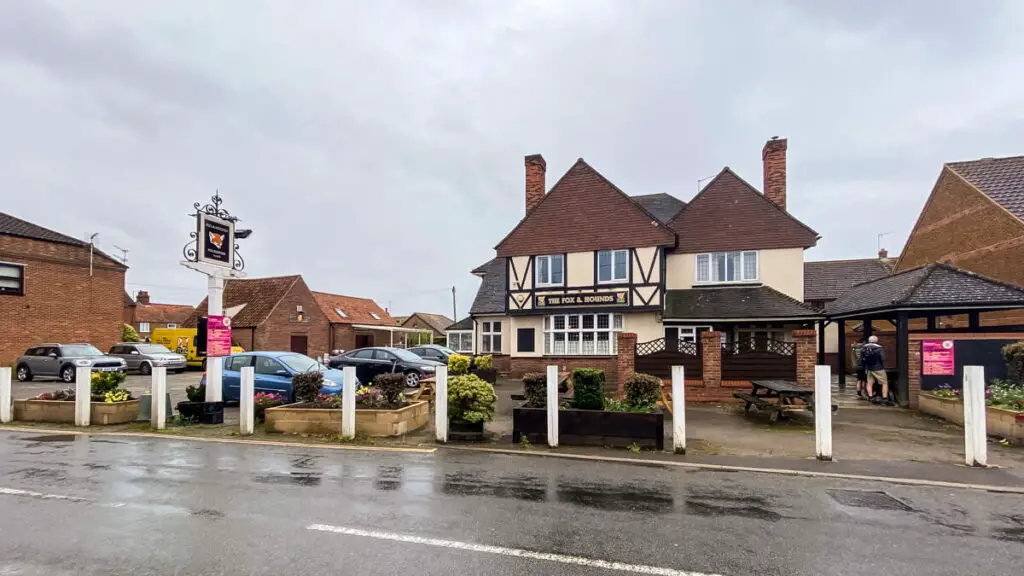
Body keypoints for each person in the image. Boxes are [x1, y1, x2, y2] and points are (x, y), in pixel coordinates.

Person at [860, 335, 890, 405]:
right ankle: (885, 398)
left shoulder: (863, 348)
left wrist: (865, 366)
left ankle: (870, 397)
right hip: (878, 368)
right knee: (884, 383)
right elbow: (882, 358)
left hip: (869, 369)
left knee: (869, 383)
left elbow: (861, 359)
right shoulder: (879, 348)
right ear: (876, 341)